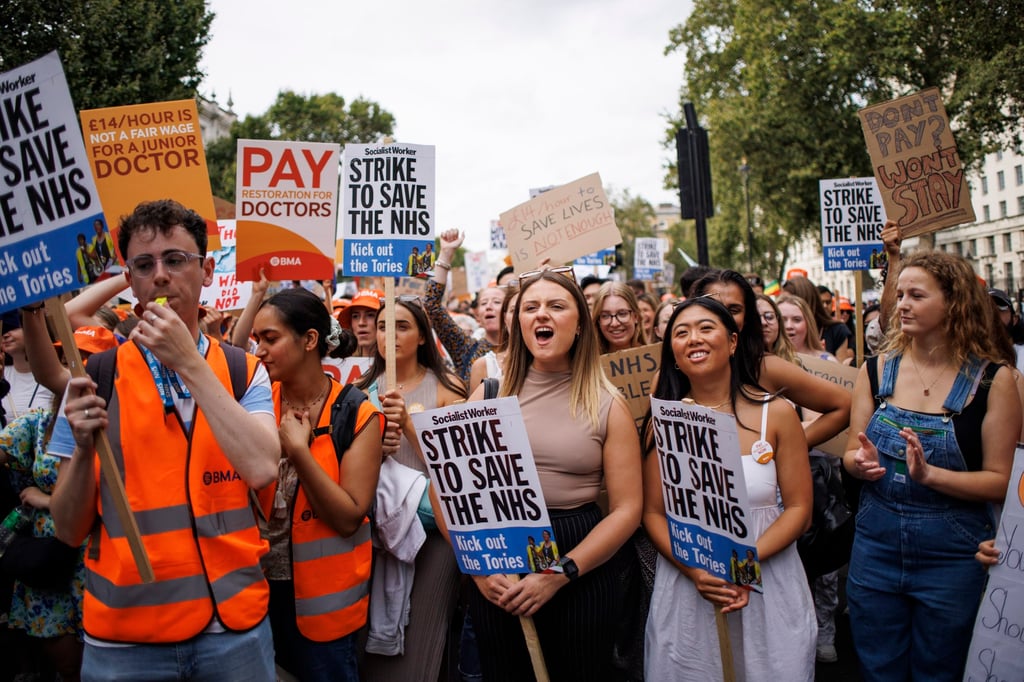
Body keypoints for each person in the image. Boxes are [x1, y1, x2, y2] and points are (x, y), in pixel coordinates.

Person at [48, 199, 281, 681]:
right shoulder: (96, 375)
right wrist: (86, 445)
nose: (160, 276)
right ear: (129, 279)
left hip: (233, 630)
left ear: (208, 270)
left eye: (176, 260)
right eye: (144, 264)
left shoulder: (243, 372)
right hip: (126, 638)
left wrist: (189, 363)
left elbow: (261, 469)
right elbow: (68, 530)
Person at [843, 251, 1020, 680]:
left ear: (954, 302)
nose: (901, 304)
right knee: (877, 668)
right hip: (875, 544)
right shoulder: (875, 370)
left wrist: (929, 475)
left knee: (939, 670)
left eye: (916, 295)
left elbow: (1001, 482)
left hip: (954, 552)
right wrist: (858, 463)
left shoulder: (996, 382)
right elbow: (850, 451)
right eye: (900, 294)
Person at [459, 268, 642, 682]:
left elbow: (627, 508)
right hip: (499, 555)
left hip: (580, 557)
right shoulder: (488, 393)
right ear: (518, 322)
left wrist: (561, 573)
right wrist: (478, 570)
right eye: (531, 307)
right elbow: (447, 489)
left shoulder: (607, 403)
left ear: (579, 325)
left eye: (556, 306)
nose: (542, 314)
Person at [642, 296, 815, 681]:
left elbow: (800, 509)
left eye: (706, 328)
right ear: (671, 350)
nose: (694, 339)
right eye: (681, 332)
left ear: (733, 342)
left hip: (768, 579)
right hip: (691, 585)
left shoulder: (778, 413)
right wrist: (694, 570)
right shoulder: (663, 422)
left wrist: (743, 565)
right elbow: (652, 512)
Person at [251, 288, 384, 682]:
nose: (258, 351)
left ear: (310, 340)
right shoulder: (255, 403)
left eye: (270, 338)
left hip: (323, 611)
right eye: (256, 339)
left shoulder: (357, 412)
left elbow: (348, 517)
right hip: (252, 594)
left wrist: (299, 452)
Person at [356, 297, 467, 682]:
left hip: (435, 534)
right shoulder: (358, 390)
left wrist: (409, 427)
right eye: (384, 325)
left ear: (423, 336)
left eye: (402, 326)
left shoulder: (447, 390)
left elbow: (459, 470)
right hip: (374, 534)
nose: (390, 335)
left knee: (423, 636)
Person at [691, 270, 851, 448]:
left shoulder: (765, 367)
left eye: (734, 310)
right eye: (713, 306)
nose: (723, 315)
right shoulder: (675, 371)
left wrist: (784, 450)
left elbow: (843, 405)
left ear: (747, 317)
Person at [1, 395, 86, 682]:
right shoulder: (37, 422)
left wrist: (47, 501)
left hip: (97, 556)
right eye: (66, 358)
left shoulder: (118, 418)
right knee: (67, 666)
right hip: (50, 560)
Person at [427, 229, 504, 381]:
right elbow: (432, 306)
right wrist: (446, 254)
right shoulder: (466, 349)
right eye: (483, 303)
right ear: (477, 315)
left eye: (497, 302)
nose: (489, 306)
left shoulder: (527, 350)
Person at [784, 277, 853, 362]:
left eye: (791, 301)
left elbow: (841, 370)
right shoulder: (776, 329)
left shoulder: (837, 330)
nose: (789, 326)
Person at [592, 281, 648, 354]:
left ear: (636, 316)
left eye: (622, 314)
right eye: (605, 316)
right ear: (598, 321)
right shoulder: (587, 362)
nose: (614, 323)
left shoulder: (656, 357)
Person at [778, 294, 837, 362]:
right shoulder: (765, 361)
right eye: (782, 320)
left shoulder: (827, 361)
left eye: (797, 320)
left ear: (808, 324)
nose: (789, 326)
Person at [337, 289, 383, 360]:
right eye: (355, 316)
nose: (361, 323)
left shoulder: (398, 367)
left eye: (370, 315)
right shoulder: (341, 366)